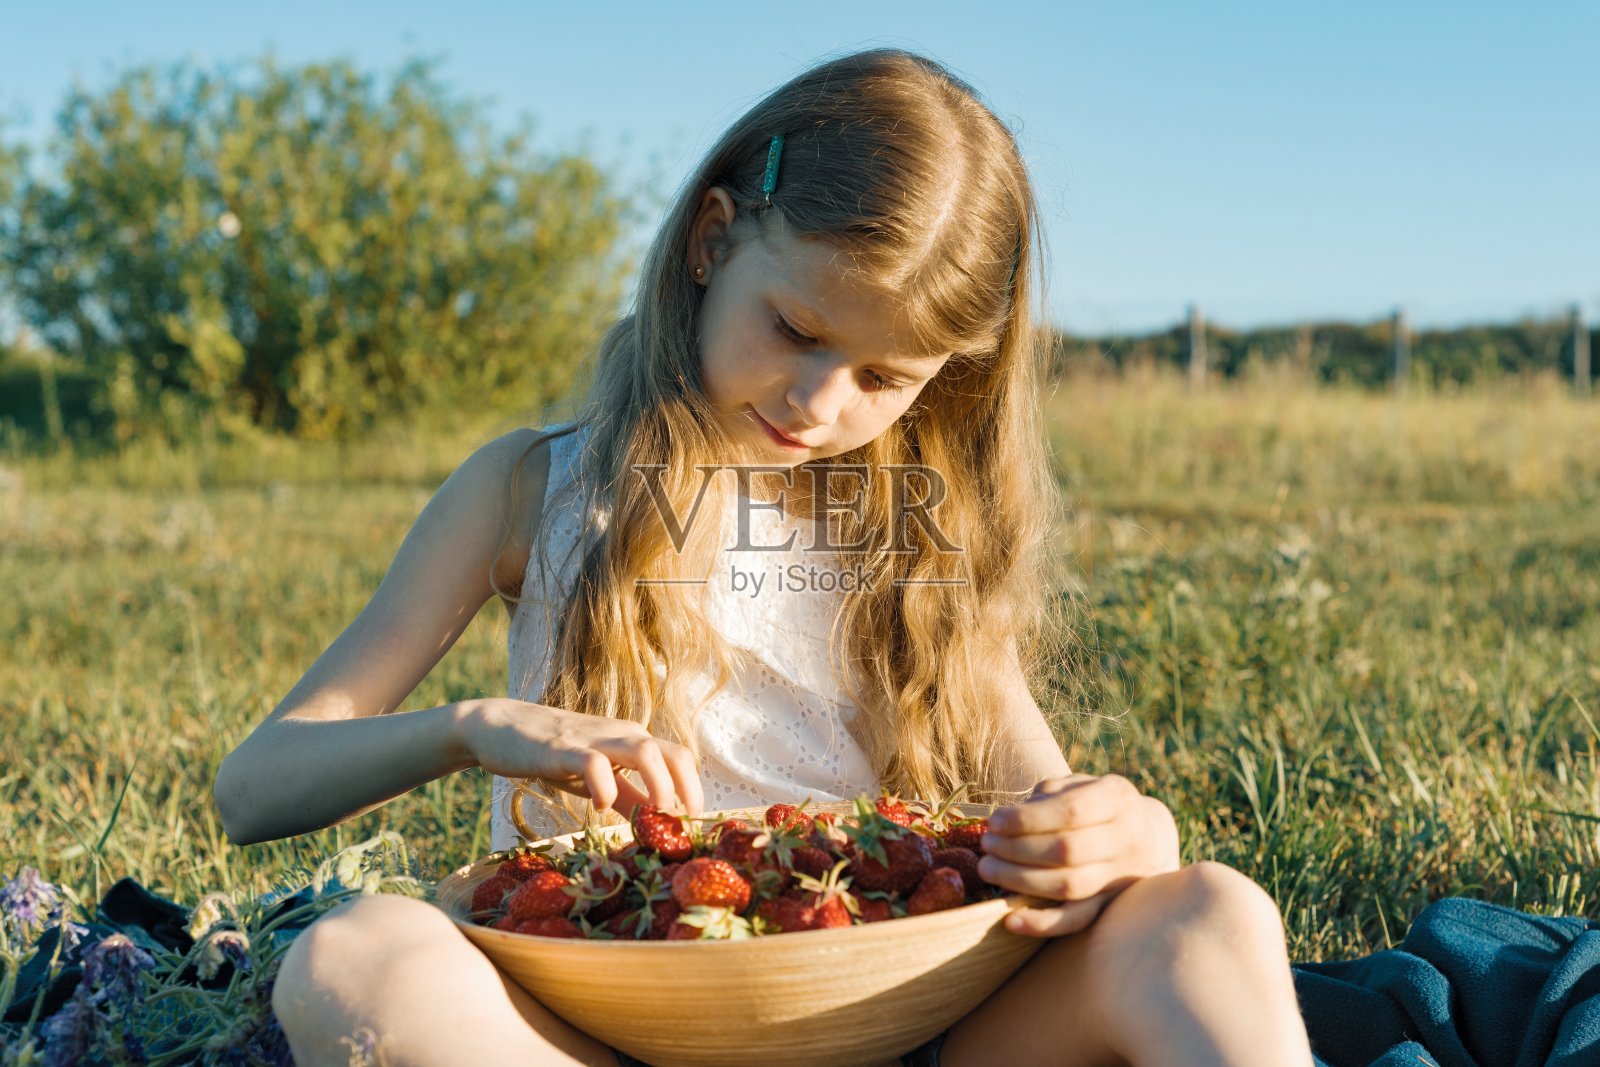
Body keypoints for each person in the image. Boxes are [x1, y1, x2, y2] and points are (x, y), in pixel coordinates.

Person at [214, 47, 1315, 1066]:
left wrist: (1131, 827)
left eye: (884, 377)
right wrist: (471, 727)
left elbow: (1042, 798)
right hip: (605, 1029)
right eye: (795, 330)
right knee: (356, 959)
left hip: (894, 1022)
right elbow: (255, 787)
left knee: (1211, 911)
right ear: (711, 241)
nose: (819, 401)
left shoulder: (909, 527)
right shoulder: (532, 487)